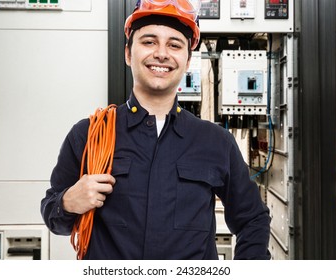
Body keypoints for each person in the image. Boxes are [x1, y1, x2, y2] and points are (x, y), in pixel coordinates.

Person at [41, 0, 271, 260]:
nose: (161, 53)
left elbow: (253, 219)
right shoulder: (88, 135)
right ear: (128, 54)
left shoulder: (215, 141)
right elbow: (52, 215)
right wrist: (68, 202)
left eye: (174, 45)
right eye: (149, 42)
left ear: (187, 61)